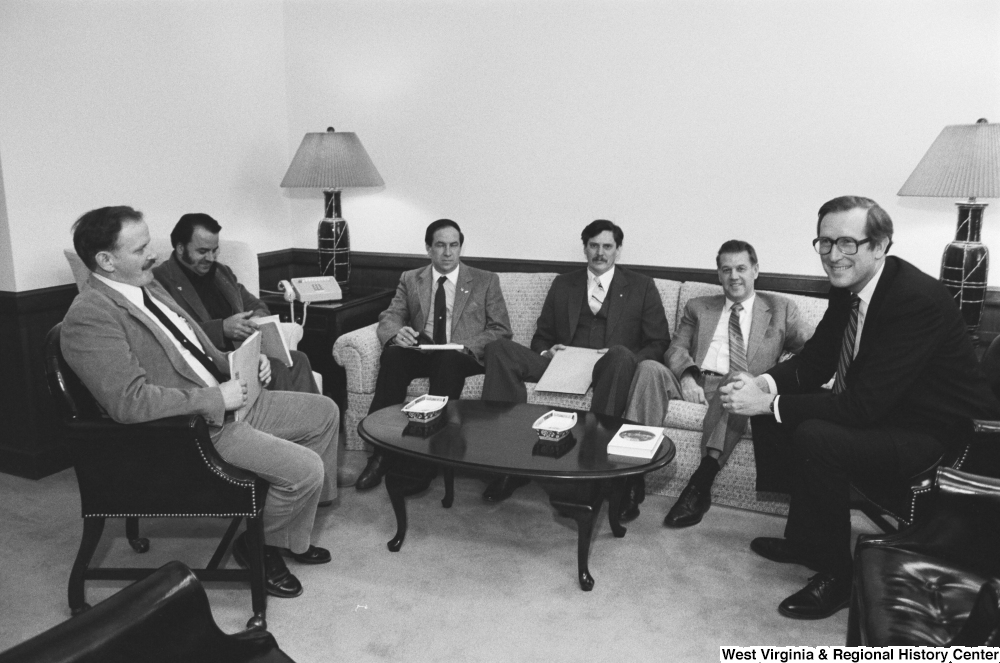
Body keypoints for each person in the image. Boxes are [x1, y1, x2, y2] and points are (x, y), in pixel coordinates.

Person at [720, 196, 1000, 620]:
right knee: (776, 412)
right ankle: (806, 540)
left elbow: (861, 407)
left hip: (943, 436)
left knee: (814, 432)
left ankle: (839, 575)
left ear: (880, 244)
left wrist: (771, 403)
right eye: (826, 243)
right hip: (891, 411)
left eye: (848, 243)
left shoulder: (914, 299)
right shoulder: (850, 290)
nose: (834, 255)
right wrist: (764, 383)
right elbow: (816, 360)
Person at [61, 206, 340, 599]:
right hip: (191, 429)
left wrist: (242, 363)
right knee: (304, 469)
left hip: (226, 399)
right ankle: (257, 546)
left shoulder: (149, 287)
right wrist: (215, 397)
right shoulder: (90, 315)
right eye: (141, 248)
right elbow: (129, 402)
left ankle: (286, 535)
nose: (153, 255)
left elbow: (198, 351)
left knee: (324, 412)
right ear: (106, 261)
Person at [480, 219, 670, 515]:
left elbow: (658, 342)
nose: (600, 252)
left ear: (618, 250)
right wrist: (547, 349)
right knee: (499, 349)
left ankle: (595, 468)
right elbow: (541, 334)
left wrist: (625, 356)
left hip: (609, 367)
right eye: (593, 245)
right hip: (563, 364)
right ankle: (507, 463)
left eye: (607, 246)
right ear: (584, 248)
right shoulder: (563, 283)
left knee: (620, 355)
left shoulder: (641, 286)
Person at [624, 240, 808, 527]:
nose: (734, 276)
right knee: (648, 368)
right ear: (719, 275)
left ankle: (699, 485)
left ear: (756, 270)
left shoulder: (781, 308)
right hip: (697, 379)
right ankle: (631, 476)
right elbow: (675, 349)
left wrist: (769, 381)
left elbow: (814, 353)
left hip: (738, 383)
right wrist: (686, 377)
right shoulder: (698, 307)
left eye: (741, 268)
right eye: (726, 270)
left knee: (737, 381)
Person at [354, 218, 513, 490]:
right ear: (428, 249)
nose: (448, 252)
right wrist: (395, 334)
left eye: (454, 245)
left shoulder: (485, 280)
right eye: (440, 245)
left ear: (461, 247)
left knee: (448, 360)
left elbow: (500, 329)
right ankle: (381, 454)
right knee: (393, 354)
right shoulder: (411, 278)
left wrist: (463, 345)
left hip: (461, 355)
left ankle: (424, 462)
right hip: (424, 348)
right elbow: (391, 315)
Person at [153, 213, 319, 394]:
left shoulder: (221, 272)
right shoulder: (161, 281)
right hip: (211, 361)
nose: (210, 258)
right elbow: (172, 333)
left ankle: (312, 419)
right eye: (202, 251)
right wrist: (222, 329)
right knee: (276, 368)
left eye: (214, 250)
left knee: (299, 360)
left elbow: (256, 304)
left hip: (243, 352)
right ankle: (288, 421)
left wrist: (257, 318)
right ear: (180, 248)